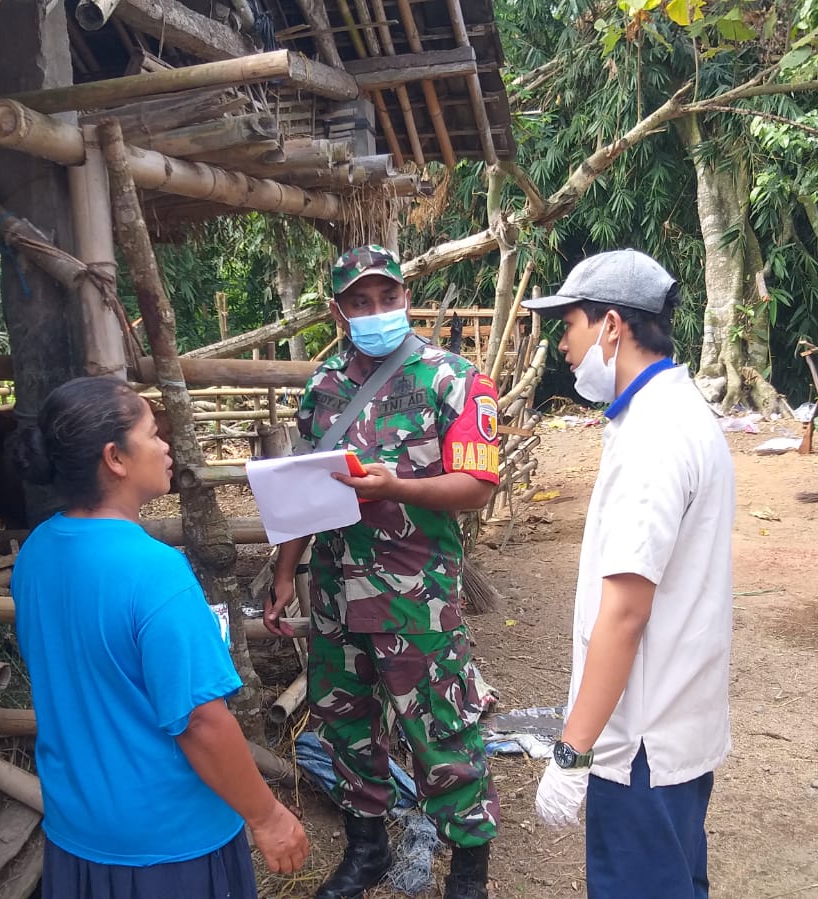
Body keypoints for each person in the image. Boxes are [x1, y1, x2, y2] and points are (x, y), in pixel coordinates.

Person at [263, 245, 501, 899]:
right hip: (335, 593)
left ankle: (468, 876)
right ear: (338, 311)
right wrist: (285, 575)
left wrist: (396, 486)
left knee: (442, 730)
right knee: (343, 723)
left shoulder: (453, 379)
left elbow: (477, 485)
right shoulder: (322, 385)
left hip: (416, 597)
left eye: (387, 297)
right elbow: (302, 489)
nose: (376, 311)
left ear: (405, 297)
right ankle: (366, 850)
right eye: (360, 302)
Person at [11, 376, 308, 899]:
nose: (166, 446)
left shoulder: (37, 551)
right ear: (115, 459)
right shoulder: (155, 571)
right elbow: (199, 721)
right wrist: (267, 816)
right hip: (169, 842)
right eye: (152, 434)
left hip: (77, 825)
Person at [527, 250, 735, 898]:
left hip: (641, 744)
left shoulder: (653, 436)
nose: (562, 344)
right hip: (676, 724)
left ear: (612, 326)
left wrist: (572, 751)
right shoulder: (674, 411)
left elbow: (624, 611)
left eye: (569, 324)